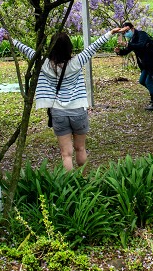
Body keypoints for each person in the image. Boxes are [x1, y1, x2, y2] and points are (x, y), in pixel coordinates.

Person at [11, 28, 116, 171]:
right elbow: (94, 46)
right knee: (80, 148)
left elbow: (27, 51)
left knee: (66, 154)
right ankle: (84, 180)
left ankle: (71, 184)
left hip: (58, 112)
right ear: (69, 47)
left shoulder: (45, 64)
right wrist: (111, 33)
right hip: (78, 110)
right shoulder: (77, 61)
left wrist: (10, 39)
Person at [114, 21, 153, 111]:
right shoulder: (132, 40)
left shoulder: (142, 34)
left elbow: (140, 45)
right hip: (146, 65)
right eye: (124, 33)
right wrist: (119, 51)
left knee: (149, 82)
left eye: (127, 31)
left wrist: (127, 44)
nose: (126, 34)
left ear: (132, 28)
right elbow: (126, 51)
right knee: (142, 81)